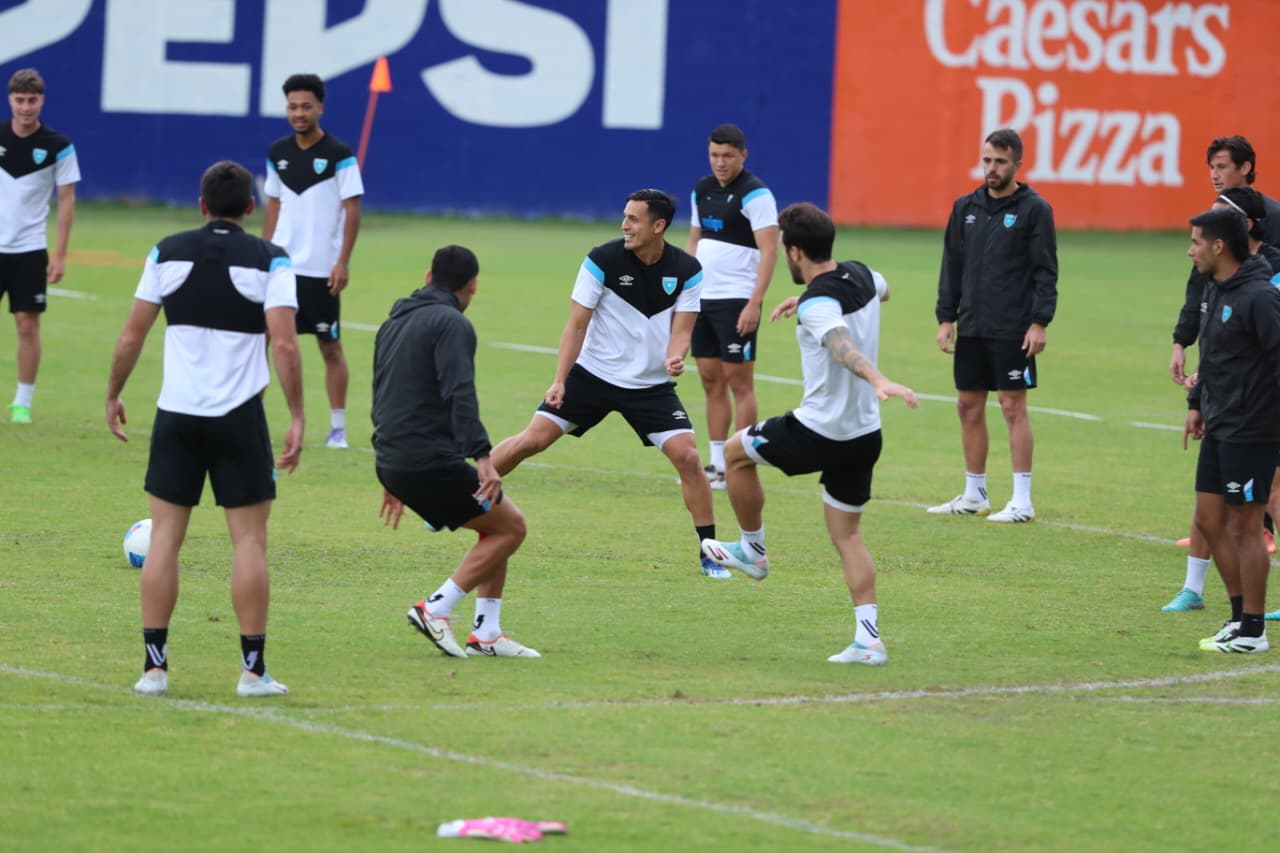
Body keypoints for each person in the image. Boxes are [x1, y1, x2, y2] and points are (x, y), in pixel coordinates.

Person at [105, 160, 305, 696]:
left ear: (200, 206)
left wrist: (113, 392)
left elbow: (131, 334)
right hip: (240, 417)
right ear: (250, 209)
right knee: (249, 544)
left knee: (165, 540)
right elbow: (284, 344)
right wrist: (299, 415)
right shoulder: (272, 258)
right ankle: (253, 672)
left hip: (177, 415)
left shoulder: (165, 251)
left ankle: (154, 670)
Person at [699, 202, 918, 664]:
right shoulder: (861, 275)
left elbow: (842, 347)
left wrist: (877, 378)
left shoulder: (821, 305)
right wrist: (810, 299)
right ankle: (869, 641)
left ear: (795, 251)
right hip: (863, 435)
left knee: (736, 452)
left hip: (820, 430)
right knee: (848, 536)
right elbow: (885, 290)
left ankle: (753, 552)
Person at [490, 189, 725, 578]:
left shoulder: (687, 269)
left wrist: (675, 354)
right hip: (592, 376)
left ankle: (709, 553)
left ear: (658, 226)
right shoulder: (602, 260)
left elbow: (683, 329)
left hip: (650, 386)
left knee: (688, 458)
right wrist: (560, 381)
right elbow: (576, 325)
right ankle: (461, 499)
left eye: (634, 219)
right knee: (532, 440)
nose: (624, 225)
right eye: (625, 217)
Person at [372, 245, 539, 659]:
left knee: (493, 524)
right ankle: (436, 608)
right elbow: (459, 392)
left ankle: (487, 634)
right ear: (473, 286)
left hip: (395, 457)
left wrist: (389, 470)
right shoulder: (452, 324)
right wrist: (483, 458)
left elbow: (382, 393)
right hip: (423, 459)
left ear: (428, 277)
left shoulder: (392, 322)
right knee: (510, 528)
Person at [929, 128, 1058, 523]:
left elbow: (1045, 270)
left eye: (1000, 161)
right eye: (987, 160)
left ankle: (1022, 500)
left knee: (1010, 405)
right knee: (968, 406)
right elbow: (952, 264)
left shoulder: (1035, 209)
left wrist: (1039, 322)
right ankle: (974, 493)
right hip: (972, 324)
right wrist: (946, 317)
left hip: (1013, 326)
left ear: (1018, 163)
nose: (992, 168)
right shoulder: (965, 206)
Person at [1164, 186, 1280, 614]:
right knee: (1211, 522)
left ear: (1218, 245)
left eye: (1195, 242)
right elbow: (1213, 355)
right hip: (1217, 418)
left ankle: (1251, 627)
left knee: (1245, 528)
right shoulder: (1217, 291)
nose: (1189, 251)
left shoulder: (1260, 296)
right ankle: (1235, 616)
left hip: (1252, 426)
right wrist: (1196, 402)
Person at [262, 73, 363, 449]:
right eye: (292, 106)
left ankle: (337, 427)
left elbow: (353, 210)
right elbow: (274, 203)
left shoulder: (340, 155)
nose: (299, 113)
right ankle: (254, 417)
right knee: (265, 341)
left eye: (306, 106)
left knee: (329, 347)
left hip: (321, 269)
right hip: (282, 267)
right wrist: (264, 250)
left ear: (320, 107)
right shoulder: (277, 153)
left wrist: (343, 262)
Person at [685, 123, 778, 489]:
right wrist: (685, 289)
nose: (720, 163)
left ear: (743, 155)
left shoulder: (756, 195)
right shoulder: (702, 189)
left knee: (740, 383)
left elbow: (769, 250)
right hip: (702, 301)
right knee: (710, 381)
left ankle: (740, 463)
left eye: (727, 156)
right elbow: (694, 240)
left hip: (737, 300)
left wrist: (754, 302)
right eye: (714, 155)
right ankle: (716, 464)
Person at [2, 68, 79, 424]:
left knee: (27, 324)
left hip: (30, 249)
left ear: (42, 101)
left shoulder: (58, 147)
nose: (26, 107)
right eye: (20, 100)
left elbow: (66, 200)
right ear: (10, 100)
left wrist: (60, 254)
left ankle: (23, 402)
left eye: (32, 100)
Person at [1204, 135, 1280, 246]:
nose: (1214, 175)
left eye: (1221, 167)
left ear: (1245, 168)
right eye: (1212, 167)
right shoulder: (1216, 212)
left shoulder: (1274, 215)